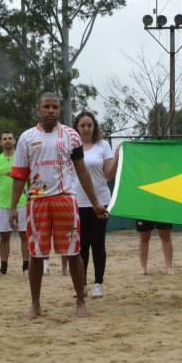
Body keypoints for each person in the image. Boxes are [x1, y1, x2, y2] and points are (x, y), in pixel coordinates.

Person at [8, 93, 108, 319]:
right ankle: (35, 304)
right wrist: (13, 206)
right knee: (36, 255)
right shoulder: (26, 137)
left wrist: (95, 203)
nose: (51, 110)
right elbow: (19, 175)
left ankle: (81, 301)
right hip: (37, 202)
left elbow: (81, 170)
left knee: (74, 253)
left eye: (54, 107)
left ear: (59, 110)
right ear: (39, 109)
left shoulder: (71, 136)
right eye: (46, 106)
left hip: (65, 200)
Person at [73, 111, 117, 298]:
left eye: (89, 125)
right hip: (76, 202)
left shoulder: (103, 146)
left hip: (100, 201)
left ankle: (98, 283)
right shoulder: (71, 146)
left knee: (98, 243)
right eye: (82, 125)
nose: (86, 128)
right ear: (76, 127)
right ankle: (81, 285)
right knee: (80, 246)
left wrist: (117, 156)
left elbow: (109, 174)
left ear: (94, 126)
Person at [0, 131, 29, 276]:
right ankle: (4, 266)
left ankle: (26, 266)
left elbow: (29, 180)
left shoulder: (22, 159)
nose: (7, 141)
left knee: (24, 235)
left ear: (15, 141)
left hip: (22, 203)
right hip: (2, 204)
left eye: (10, 138)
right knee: (4, 237)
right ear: (0, 142)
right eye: (4, 138)